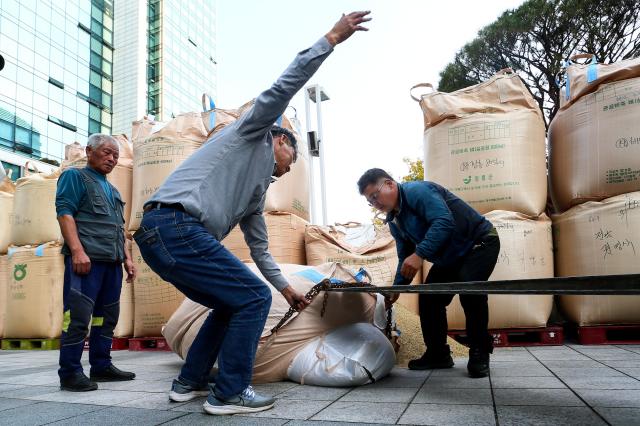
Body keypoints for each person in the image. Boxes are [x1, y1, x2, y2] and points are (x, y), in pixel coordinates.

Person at [133, 11, 371, 416]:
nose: (287, 169)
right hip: (176, 226)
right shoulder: (251, 134)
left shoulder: (254, 193)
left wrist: (287, 289)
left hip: (162, 237)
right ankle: (228, 393)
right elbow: (283, 86)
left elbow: (260, 251)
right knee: (251, 298)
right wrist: (330, 38)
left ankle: (188, 382)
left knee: (232, 302)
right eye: (289, 159)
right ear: (278, 139)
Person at [357, 168, 500, 378]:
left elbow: (444, 221)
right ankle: (438, 354)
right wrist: (396, 289)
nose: (375, 203)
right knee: (429, 298)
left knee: (470, 293)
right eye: (370, 201)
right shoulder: (395, 221)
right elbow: (405, 257)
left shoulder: (417, 191)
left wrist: (420, 253)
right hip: (451, 256)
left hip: (478, 243)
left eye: (375, 196)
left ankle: (479, 352)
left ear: (389, 184)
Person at [56, 134, 137, 391]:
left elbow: (119, 228)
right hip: (86, 262)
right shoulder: (75, 177)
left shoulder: (113, 190)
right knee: (77, 317)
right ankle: (69, 373)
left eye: (115, 155)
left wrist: (128, 259)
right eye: (106, 152)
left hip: (111, 263)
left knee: (106, 317)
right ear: (89, 151)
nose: (112, 158)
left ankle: (101, 366)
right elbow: (64, 212)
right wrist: (77, 251)